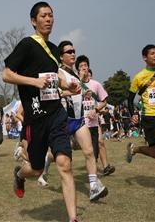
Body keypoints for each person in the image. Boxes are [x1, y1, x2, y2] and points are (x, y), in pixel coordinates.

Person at [3, 1, 80, 222]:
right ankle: (19, 175)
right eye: (44, 16)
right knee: (35, 170)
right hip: (35, 118)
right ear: (33, 21)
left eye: (51, 15)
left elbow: (56, 75)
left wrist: (68, 85)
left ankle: (73, 219)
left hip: (56, 113)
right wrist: (33, 82)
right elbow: (6, 74)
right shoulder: (27, 45)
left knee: (64, 164)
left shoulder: (55, 49)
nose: (48, 19)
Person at [38, 40, 107, 201]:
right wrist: (74, 91)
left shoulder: (75, 74)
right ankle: (44, 169)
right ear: (61, 57)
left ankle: (93, 188)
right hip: (63, 119)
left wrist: (84, 92)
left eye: (74, 51)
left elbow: (78, 90)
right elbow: (57, 94)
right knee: (60, 155)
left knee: (89, 151)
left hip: (78, 118)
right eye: (69, 52)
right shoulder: (58, 73)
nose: (73, 54)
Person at [127, 44, 155, 190]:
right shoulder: (139, 77)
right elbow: (130, 98)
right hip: (149, 116)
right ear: (145, 58)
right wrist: (133, 113)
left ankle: (135, 150)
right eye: (152, 53)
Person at [76, 55, 116, 176]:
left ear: (89, 68)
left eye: (85, 66)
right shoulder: (74, 84)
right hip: (80, 125)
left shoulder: (96, 84)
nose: (84, 68)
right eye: (81, 66)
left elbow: (104, 100)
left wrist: (96, 109)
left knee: (94, 151)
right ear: (77, 69)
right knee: (88, 153)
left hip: (93, 123)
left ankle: (98, 173)